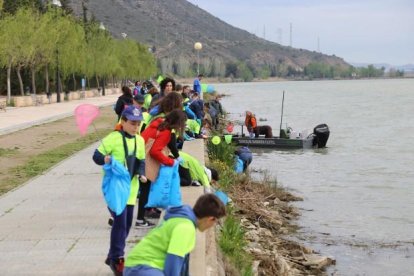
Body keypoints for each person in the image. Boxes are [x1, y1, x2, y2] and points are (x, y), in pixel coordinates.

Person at [92, 105, 146, 276]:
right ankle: (117, 259)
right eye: (132, 123)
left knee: (128, 224)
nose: (135, 127)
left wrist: (142, 174)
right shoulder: (113, 138)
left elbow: (141, 161)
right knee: (120, 223)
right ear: (122, 122)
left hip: (131, 189)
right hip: (115, 189)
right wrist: (105, 158)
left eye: (138, 124)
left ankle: (112, 256)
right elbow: (96, 156)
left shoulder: (140, 140)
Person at [124, 193, 226, 276]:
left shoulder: (181, 219)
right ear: (211, 219)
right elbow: (173, 263)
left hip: (139, 266)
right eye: (215, 222)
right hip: (143, 268)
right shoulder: (186, 228)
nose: (213, 225)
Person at [136, 110, 187, 228]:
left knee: (137, 189)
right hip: (146, 161)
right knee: (144, 190)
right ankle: (140, 219)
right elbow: (155, 151)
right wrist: (170, 161)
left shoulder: (158, 122)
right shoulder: (166, 132)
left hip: (138, 155)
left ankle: (125, 216)